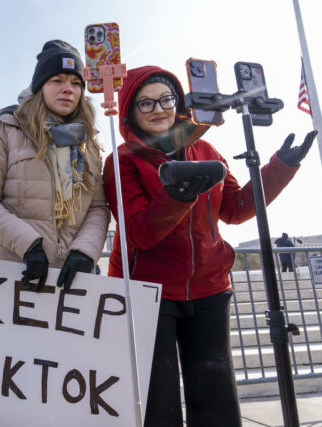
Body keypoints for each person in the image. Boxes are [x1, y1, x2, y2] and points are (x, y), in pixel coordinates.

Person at [102, 65, 317, 426]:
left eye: (167, 99)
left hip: (210, 288)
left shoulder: (204, 148)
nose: (159, 109)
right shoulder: (122, 161)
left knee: (217, 402)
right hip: (148, 293)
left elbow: (235, 209)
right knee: (159, 404)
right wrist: (178, 195)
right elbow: (140, 233)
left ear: (179, 103)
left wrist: (280, 167)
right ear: (129, 112)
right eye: (146, 103)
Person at [0, 40, 109, 291]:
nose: (68, 89)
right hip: (18, 274)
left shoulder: (88, 143)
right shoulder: (5, 130)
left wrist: (85, 252)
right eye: (57, 80)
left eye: (76, 83)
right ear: (40, 86)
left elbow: (97, 208)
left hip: (74, 283)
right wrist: (29, 245)